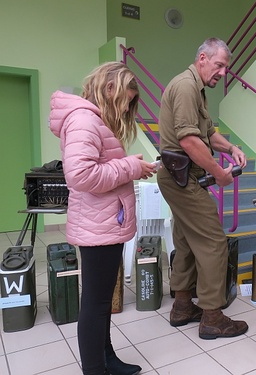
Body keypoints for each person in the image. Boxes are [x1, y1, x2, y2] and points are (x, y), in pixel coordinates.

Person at [50, 62, 157, 375]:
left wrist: (131, 165)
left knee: (101, 302)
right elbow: (81, 176)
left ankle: (107, 359)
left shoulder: (92, 120)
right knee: (96, 305)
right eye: (125, 99)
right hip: (97, 226)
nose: (126, 109)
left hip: (105, 223)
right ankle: (95, 369)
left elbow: (98, 167)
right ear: (109, 88)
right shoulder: (84, 120)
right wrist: (131, 168)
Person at [157, 37, 248, 339]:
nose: (223, 72)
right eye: (219, 65)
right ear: (202, 59)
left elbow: (207, 133)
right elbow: (189, 140)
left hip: (180, 176)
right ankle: (212, 315)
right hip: (182, 177)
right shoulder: (185, 87)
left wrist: (231, 147)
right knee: (213, 243)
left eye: (225, 67)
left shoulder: (196, 89)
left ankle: (183, 305)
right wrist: (219, 173)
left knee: (185, 241)